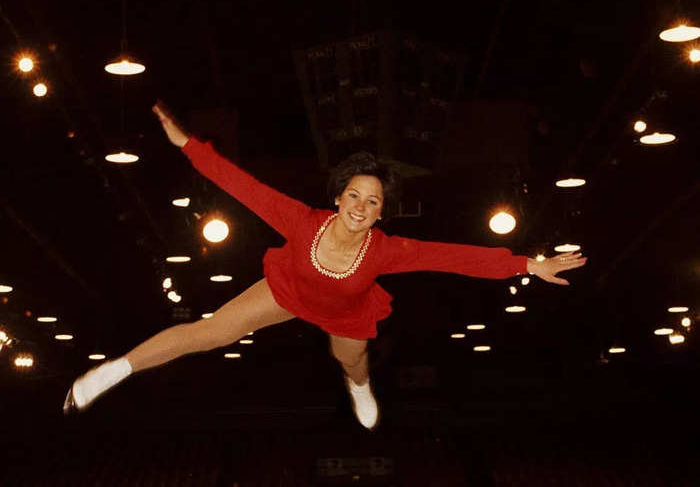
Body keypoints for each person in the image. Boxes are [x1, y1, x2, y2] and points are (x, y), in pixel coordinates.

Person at [63, 102, 587, 429]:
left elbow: (455, 257)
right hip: (287, 290)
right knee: (210, 331)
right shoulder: (301, 220)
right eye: (355, 195)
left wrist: (526, 265)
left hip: (345, 312)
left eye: (374, 201)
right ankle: (113, 371)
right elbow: (242, 185)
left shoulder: (386, 250)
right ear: (339, 198)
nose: (362, 206)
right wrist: (188, 146)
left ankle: (359, 389)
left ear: (382, 213)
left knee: (353, 365)